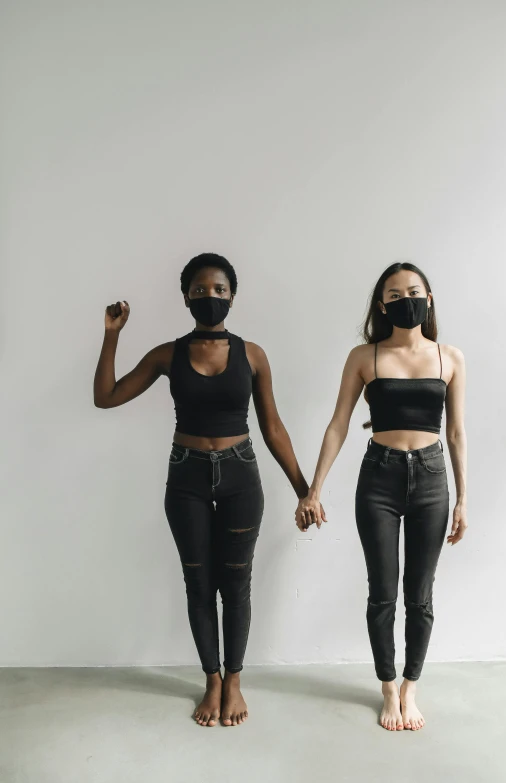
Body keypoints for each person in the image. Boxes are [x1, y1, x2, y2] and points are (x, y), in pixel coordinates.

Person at [94, 252, 319, 727]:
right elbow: (106, 396)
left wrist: (305, 490)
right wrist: (112, 335)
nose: (210, 296)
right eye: (200, 290)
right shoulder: (166, 354)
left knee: (235, 584)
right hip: (187, 477)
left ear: (232, 296)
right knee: (199, 584)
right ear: (185, 298)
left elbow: (273, 427)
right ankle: (212, 679)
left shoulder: (252, 354)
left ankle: (234, 680)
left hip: (241, 475)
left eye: (219, 289)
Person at [295, 262, 467, 732]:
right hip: (379, 478)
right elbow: (338, 424)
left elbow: (455, 432)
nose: (404, 299)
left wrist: (463, 499)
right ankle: (387, 687)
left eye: (413, 291)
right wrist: (314, 488)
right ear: (380, 305)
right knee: (383, 594)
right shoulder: (364, 356)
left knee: (421, 596)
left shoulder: (449, 357)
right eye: (393, 294)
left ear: (428, 298)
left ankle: (411, 687)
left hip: (432, 478)